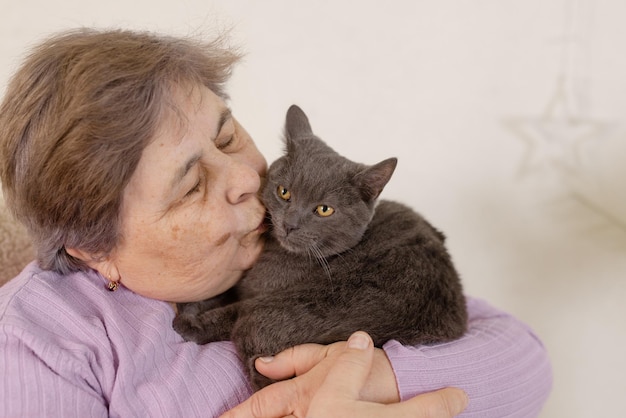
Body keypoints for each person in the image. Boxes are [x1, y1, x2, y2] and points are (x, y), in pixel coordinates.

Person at [0, 28, 551, 417]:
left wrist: (381, 380)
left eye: (227, 136)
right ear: (95, 249)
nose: (243, 175)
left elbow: (522, 357)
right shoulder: (41, 337)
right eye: (192, 184)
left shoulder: (287, 241)